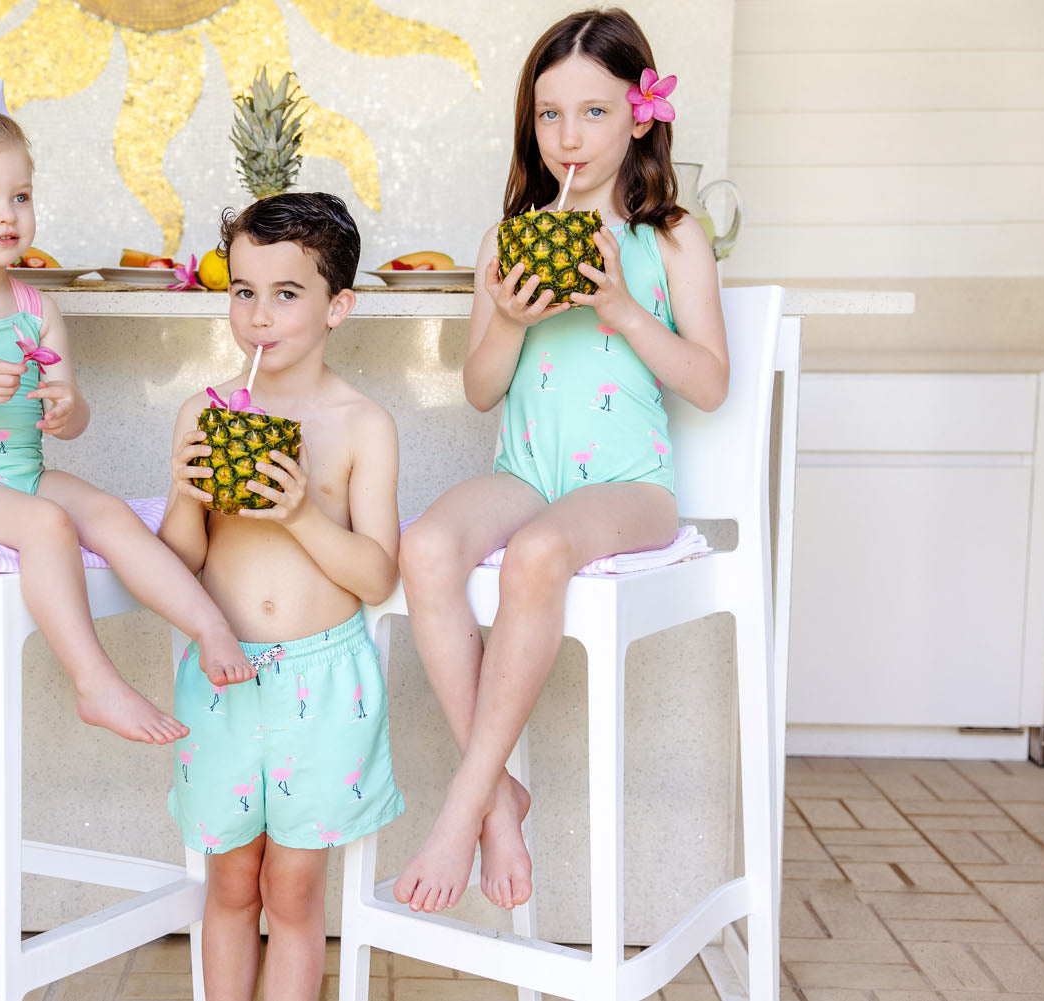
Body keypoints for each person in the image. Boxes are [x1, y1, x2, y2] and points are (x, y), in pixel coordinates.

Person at [392, 8, 730, 914]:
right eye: (549, 115)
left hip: (629, 488)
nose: (568, 137)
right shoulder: (508, 241)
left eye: (593, 112)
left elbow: (708, 382)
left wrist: (621, 309)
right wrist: (507, 317)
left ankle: (466, 801)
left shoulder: (671, 237)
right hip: (526, 472)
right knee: (425, 545)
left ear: (640, 118)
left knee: (540, 552)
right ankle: (500, 799)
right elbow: (480, 389)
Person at [0, 63, 253, 746]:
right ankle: (94, 682)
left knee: (106, 511)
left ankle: (208, 623)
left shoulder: (36, 308)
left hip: (23, 474)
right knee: (47, 523)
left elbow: (73, 423)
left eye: (19, 196)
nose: (7, 214)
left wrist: (65, 408)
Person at [160, 192, 404, 1001]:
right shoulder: (205, 412)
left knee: (293, 893)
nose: (259, 315)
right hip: (222, 680)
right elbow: (180, 561)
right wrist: (184, 491)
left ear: (339, 306)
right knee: (231, 885)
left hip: (324, 683)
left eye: (287, 293)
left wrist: (298, 512)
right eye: (243, 291)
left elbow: (377, 575)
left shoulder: (362, 423)